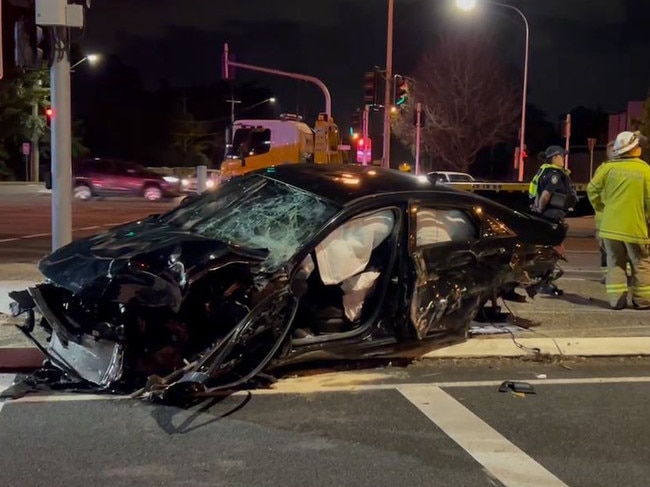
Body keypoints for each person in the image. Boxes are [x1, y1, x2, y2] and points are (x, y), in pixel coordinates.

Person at [587, 130, 650, 310]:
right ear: (634, 148)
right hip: (635, 227)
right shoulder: (645, 170)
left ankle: (616, 301)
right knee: (641, 264)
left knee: (615, 264)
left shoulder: (607, 168)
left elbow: (592, 190)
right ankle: (642, 301)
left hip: (609, 227)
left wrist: (601, 208)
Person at [528, 145, 578, 295]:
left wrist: (538, 211)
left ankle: (542, 280)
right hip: (552, 215)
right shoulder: (554, 175)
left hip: (549, 215)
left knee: (549, 249)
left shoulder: (544, 171)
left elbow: (538, 195)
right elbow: (545, 195)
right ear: (555, 157)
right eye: (562, 156)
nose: (563, 159)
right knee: (553, 250)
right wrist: (542, 210)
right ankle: (543, 282)